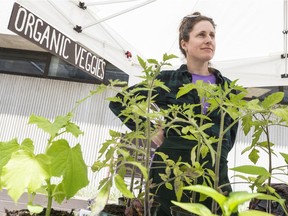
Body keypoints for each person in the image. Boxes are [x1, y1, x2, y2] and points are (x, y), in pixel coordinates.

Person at [109, 11, 238, 216]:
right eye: (201, 35)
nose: (208, 40)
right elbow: (120, 102)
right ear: (184, 43)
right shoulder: (168, 80)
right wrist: (150, 130)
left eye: (212, 35)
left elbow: (230, 135)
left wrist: (218, 155)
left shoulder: (229, 89)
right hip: (170, 171)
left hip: (214, 173)